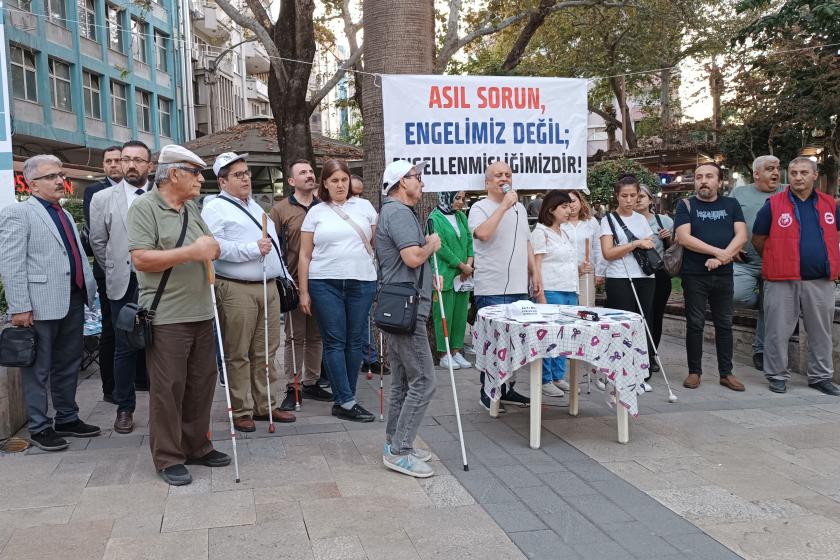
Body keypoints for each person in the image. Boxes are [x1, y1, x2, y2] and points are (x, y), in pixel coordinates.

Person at [127, 144, 229, 486]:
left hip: (202, 310)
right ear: (174, 174)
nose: (202, 179)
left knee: (202, 384)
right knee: (168, 388)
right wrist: (191, 252)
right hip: (167, 314)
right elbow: (140, 259)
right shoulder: (145, 208)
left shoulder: (191, 208)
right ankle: (168, 456)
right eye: (196, 172)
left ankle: (197, 445)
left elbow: (210, 245)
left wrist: (210, 247)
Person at [0, 155, 100, 451]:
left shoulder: (64, 213)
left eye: (60, 175)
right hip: (40, 305)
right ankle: (40, 426)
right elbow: (12, 263)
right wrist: (19, 307)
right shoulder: (19, 214)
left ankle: (67, 417)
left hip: (73, 298)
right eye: (51, 177)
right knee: (38, 369)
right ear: (32, 185)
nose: (60, 181)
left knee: (68, 364)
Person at [202, 152, 296, 431]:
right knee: (238, 352)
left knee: (266, 350)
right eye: (238, 175)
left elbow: (272, 246)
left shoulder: (254, 205)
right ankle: (241, 408)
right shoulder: (215, 208)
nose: (246, 179)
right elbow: (214, 246)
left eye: (246, 173)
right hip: (236, 288)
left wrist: (284, 274)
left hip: (267, 285)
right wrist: (252, 249)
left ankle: (266, 405)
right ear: (222, 181)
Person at [752, 157, 840, 396]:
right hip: (782, 280)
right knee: (777, 330)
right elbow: (758, 239)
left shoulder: (831, 204)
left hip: (820, 280)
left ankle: (820, 377)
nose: (798, 177)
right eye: (793, 173)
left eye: (803, 172)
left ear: (814, 175)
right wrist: (778, 258)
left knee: (821, 331)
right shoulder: (773, 204)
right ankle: (777, 376)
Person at [299, 159, 378, 422]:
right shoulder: (316, 212)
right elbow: (305, 255)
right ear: (325, 184)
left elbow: (375, 243)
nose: (340, 185)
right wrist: (304, 292)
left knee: (355, 340)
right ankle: (345, 400)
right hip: (324, 282)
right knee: (335, 341)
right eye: (334, 180)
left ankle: (346, 398)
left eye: (344, 179)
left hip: (362, 281)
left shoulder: (365, 207)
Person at [377, 160, 441, 478]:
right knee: (424, 381)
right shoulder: (398, 212)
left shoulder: (395, 212)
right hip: (407, 309)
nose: (422, 182)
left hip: (402, 305)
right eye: (417, 177)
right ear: (402, 182)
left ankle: (396, 444)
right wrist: (431, 245)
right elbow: (412, 256)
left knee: (404, 382)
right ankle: (400, 450)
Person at [89, 140, 153, 434]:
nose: (130, 165)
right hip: (123, 284)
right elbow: (98, 242)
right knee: (124, 348)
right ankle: (124, 407)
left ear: (149, 166)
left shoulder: (163, 195)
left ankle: (167, 405)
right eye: (126, 159)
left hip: (161, 283)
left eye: (138, 160)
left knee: (164, 344)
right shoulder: (102, 198)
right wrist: (116, 267)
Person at [468, 161, 542, 411]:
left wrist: (535, 273)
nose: (504, 178)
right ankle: (487, 392)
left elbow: (527, 242)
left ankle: (507, 389)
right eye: (498, 175)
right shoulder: (479, 207)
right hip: (491, 288)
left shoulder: (520, 208)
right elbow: (484, 234)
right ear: (487, 182)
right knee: (493, 344)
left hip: (519, 287)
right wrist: (503, 206)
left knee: (514, 345)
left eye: (508, 174)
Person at [674, 163, 748, 392]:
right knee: (695, 323)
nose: (703, 181)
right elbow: (684, 238)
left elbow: (742, 236)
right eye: (698, 177)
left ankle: (726, 373)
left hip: (724, 275)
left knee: (724, 324)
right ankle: (694, 372)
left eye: (708, 176)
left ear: (720, 181)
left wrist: (722, 259)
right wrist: (719, 252)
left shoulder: (731, 204)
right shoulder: (686, 205)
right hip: (694, 275)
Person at [270, 160, 333, 410]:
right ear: (291, 181)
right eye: (302, 173)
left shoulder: (326, 208)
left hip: (323, 280)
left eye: (310, 172)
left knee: (316, 335)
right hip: (294, 282)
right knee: (294, 336)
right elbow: (273, 247)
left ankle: (311, 382)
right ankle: (292, 385)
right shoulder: (280, 210)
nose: (309, 176)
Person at [600, 175, 657, 392]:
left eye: (634, 195)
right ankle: (618, 370)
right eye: (624, 195)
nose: (629, 200)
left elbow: (650, 243)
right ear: (617, 196)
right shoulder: (608, 220)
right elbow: (608, 253)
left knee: (644, 322)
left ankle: (640, 371)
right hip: (620, 277)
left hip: (645, 276)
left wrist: (642, 243)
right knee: (622, 324)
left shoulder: (641, 219)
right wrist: (634, 244)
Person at [730, 155, 784, 371]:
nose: (775, 173)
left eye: (778, 168)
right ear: (756, 173)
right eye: (770, 168)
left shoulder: (788, 191)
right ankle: (763, 302)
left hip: (777, 263)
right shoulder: (739, 193)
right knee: (738, 296)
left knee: (769, 308)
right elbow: (728, 219)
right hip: (745, 261)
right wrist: (730, 244)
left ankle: (761, 350)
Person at [532, 190, 582, 397]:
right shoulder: (540, 232)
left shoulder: (567, 231)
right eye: (563, 206)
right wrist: (540, 294)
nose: (569, 209)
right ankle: (545, 378)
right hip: (551, 289)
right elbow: (537, 266)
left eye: (569, 206)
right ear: (551, 209)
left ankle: (558, 376)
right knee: (550, 334)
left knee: (566, 335)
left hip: (570, 288)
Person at [82, 145, 122, 403]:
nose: (114, 165)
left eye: (118, 160)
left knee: (141, 325)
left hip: (140, 269)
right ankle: (111, 388)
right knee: (111, 329)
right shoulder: (94, 192)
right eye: (108, 161)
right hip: (107, 270)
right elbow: (98, 237)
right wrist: (110, 265)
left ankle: (141, 378)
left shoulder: (143, 190)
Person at [427, 190, 474, 370]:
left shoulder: (461, 217)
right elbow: (440, 248)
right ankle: (443, 353)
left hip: (463, 276)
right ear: (446, 197)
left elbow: (469, 240)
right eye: (457, 198)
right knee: (443, 315)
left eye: (463, 198)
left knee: (460, 315)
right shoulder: (434, 218)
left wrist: (468, 264)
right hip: (445, 275)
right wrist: (461, 265)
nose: (461, 202)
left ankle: (456, 350)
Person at [350, 173, 389, 376]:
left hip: (365, 271)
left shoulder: (366, 207)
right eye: (352, 193)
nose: (356, 198)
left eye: (360, 193)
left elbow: (377, 238)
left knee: (364, 317)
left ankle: (370, 357)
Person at [636, 184, 672, 373]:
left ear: (651, 200)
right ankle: (635, 354)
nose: (639, 199)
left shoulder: (664, 221)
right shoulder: (626, 220)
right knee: (638, 315)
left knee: (655, 314)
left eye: (643, 196)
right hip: (635, 273)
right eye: (636, 196)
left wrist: (667, 239)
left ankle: (651, 354)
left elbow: (674, 249)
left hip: (658, 273)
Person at [561, 190, 604, 306]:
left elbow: (598, 247)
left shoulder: (591, 222)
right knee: (567, 309)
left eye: (574, 201)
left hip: (587, 271)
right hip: (565, 273)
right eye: (567, 203)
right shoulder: (560, 223)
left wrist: (599, 271)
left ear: (581, 201)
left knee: (587, 308)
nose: (571, 205)